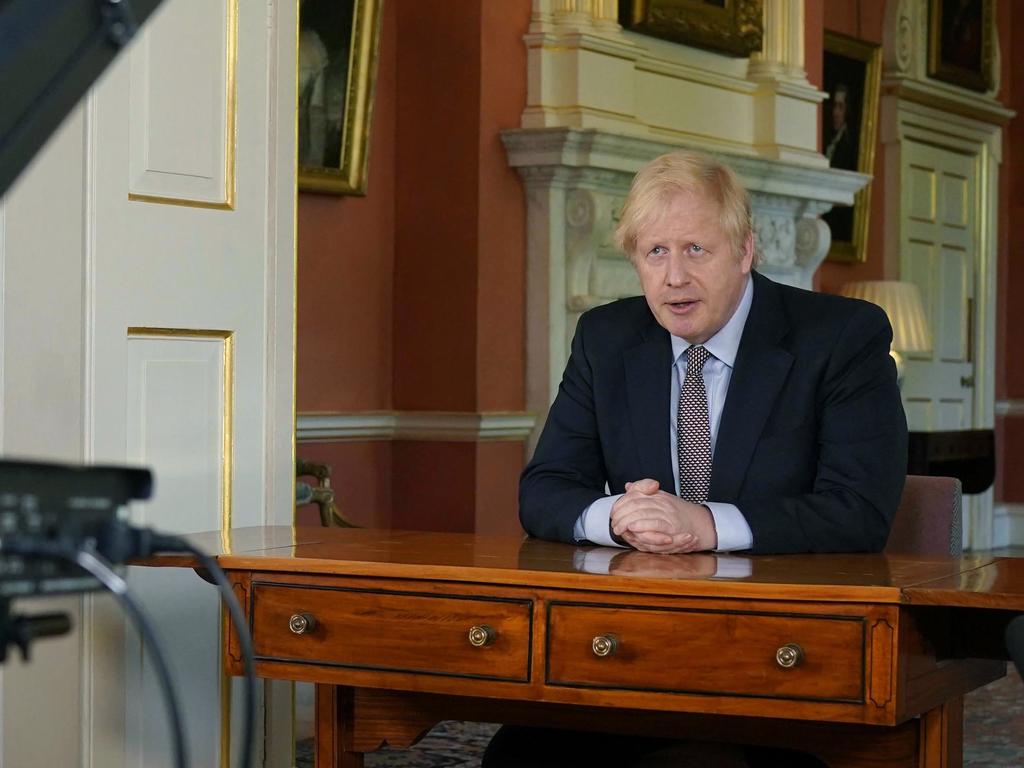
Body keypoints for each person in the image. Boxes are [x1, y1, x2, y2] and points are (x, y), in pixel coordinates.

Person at [485, 150, 908, 767]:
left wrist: (705, 525)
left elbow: (859, 510)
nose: (674, 277)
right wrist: (619, 516)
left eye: (696, 250)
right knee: (516, 757)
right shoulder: (607, 338)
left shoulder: (843, 336)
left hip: (788, 655)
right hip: (639, 646)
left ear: (744, 251)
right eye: (655, 252)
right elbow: (545, 488)